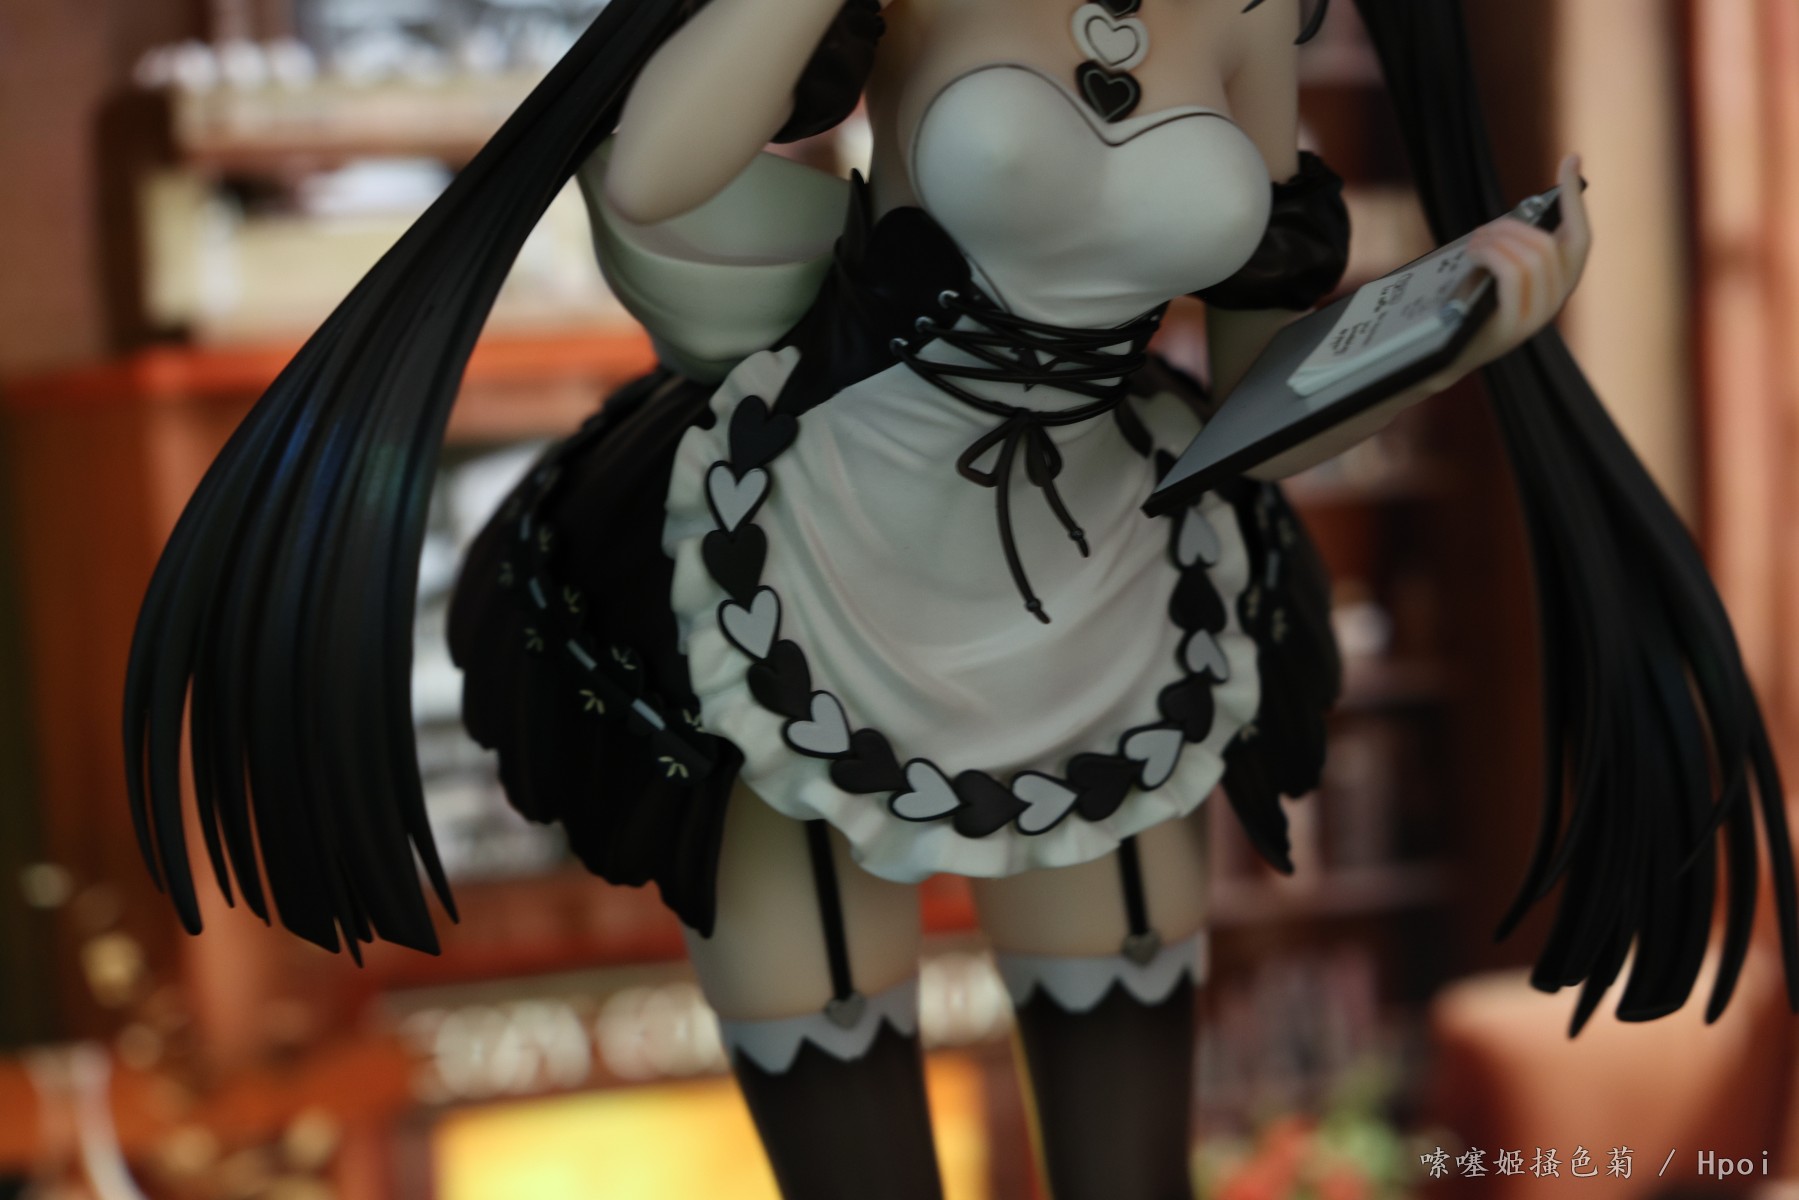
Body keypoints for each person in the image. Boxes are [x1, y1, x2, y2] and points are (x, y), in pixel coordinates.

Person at [124, 2, 1799, 1197]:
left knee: (1127, 1145)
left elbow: (1264, 402)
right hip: (826, 539)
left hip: (1113, 576)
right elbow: (652, 179)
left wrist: (1453, 327)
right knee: (845, 1109)